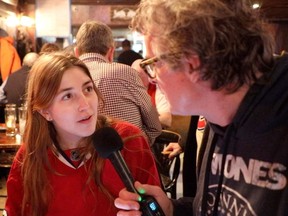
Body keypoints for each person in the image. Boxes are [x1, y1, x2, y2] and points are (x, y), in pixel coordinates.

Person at [114, 0, 288, 215]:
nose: (152, 78)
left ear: (192, 63)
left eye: (153, 63)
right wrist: (172, 210)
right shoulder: (217, 117)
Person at [4, 53, 161, 216]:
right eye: (67, 96)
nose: (85, 105)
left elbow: (156, 205)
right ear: (45, 111)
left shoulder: (127, 140)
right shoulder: (30, 157)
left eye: (88, 89)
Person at [75, 20, 162, 145]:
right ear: (111, 52)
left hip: (80, 160)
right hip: (129, 158)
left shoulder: (65, 80)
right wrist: (134, 144)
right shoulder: (126, 73)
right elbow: (155, 127)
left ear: (76, 52)